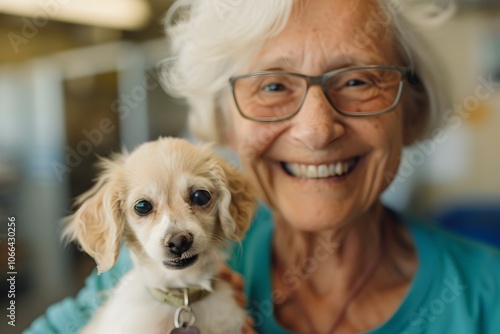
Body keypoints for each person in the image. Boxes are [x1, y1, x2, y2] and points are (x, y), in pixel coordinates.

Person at [26, 0, 500, 333]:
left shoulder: (487, 300)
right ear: (224, 121)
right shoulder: (152, 266)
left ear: (412, 111)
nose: (317, 130)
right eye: (273, 86)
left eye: (357, 80)